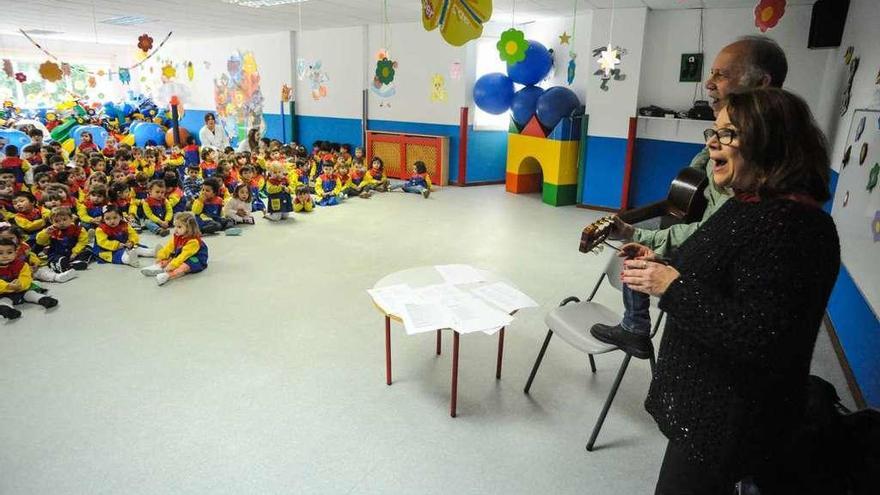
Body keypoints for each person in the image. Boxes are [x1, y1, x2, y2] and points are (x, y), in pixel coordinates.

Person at [620, 88, 839, 494]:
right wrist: (661, 265)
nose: (712, 143)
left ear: (769, 142)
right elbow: (716, 275)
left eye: (730, 134)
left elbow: (761, 337)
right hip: (705, 411)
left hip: (730, 420)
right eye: (713, 132)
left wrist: (672, 286)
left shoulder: (793, 228)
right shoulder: (746, 205)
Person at [590, 35, 789, 358]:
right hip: (701, 295)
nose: (708, 84)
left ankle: (635, 327)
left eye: (721, 75)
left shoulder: (757, 193)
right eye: (715, 134)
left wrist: (641, 237)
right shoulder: (731, 153)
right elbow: (696, 178)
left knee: (638, 253)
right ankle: (636, 324)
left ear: (762, 83)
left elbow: (709, 235)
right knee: (640, 243)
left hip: (711, 314)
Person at [140, 212, 208, 286]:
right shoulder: (177, 235)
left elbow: (184, 256)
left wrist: (173, 265)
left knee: (185, 266)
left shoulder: (193, 241)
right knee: (170, 257)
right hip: (181, 253)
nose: (175, 229)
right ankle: (158, 266)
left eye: (179, 227)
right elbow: (169, 247)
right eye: (175, 226)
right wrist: (161, 256)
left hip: (195, 257)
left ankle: (169, 275)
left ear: (189, 228)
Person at [0, 237, 58, 319]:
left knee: (30, 293)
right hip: (2, 292)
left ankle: (42, 299)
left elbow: (26, 277)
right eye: (0, 253)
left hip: (20, 289)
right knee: (4, 300)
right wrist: (7, 286)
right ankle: (7, 310)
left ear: (15, 252)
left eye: (9, 252)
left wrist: (20, 284)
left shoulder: (22, 264)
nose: (5, 256)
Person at [35, 207, 92, 272]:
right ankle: (61, 264)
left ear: (71, 219)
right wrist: (46, 233)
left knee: (87, 251)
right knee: (55, 258)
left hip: (73, 252)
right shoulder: (50, 230)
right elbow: (40, 241)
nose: (61, 223)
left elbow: (82, 242)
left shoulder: (79, 229)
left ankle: (75, 263)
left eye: (64, 219)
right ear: (51, 221)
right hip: (57, 253)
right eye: (56, 221)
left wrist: (75, 252)